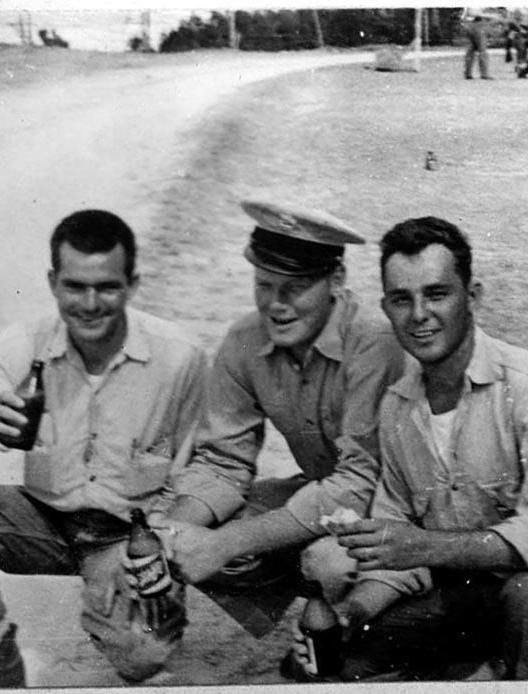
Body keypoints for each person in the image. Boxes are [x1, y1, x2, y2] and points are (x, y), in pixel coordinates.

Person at [296, 216, 528, 681]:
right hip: (468, 590)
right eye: (401, 299)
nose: (419, 315)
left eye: (437, 294)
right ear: (386, 308)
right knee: (336, 658)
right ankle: (479, 668)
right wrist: (354, 610)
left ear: (472, 297)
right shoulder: (397, 407)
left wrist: (427, 546)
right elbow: (396, 545)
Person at [159, 200, 405, 642]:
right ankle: (318, 614)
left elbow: (360, 482)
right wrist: (176, 531)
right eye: (264, 285)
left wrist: (227, 544)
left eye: (295, 288)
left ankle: (355, 647)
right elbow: (221, 461)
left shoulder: (373, 340)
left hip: (396, 509)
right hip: (325, 498)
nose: (276, 305)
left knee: (328, 559)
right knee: (194, 524)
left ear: (336, 279)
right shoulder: (243, 340)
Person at [0, 210, 207, 683]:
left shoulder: (180, 359)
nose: (90, 304)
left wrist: (158, 545)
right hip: (41, 518)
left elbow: (202, 468)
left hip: (126, 533)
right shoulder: (20, 344)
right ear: (53, 282)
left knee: (143, 655)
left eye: (107, 288)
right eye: (75, 287)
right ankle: (4, 666)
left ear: (132, 284)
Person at [462, 11, 493, 80]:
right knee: (482, 53)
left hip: (470, 28)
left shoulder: (470, 22)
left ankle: (468, 73)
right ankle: (484, 74)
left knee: (470, 53)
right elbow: (489, 33)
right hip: (480, 31)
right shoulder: (484, 23)